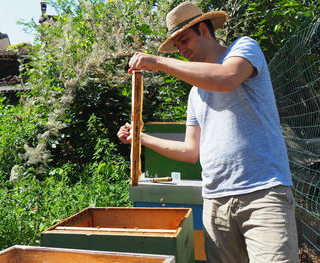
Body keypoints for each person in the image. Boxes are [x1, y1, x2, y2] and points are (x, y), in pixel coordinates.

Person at [117, 2, 298, 262]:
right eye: (176, 45)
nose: (181, 50)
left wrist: (157, 62)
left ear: (203, 29)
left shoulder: (244, 48)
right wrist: (139, 138)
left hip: (262, 194)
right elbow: (191, 151)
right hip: (215, 202)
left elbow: (226, 78)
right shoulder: (195, 94)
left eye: (184, 40)